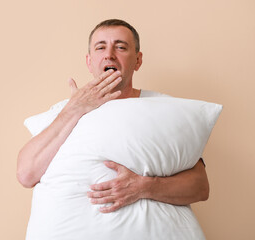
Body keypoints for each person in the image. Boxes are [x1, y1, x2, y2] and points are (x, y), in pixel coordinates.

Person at [17, 19, 209, 214]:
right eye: (101, 48)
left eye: (120, 47)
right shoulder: (63, 111)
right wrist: (74, 109)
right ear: (89, 61)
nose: (109, 55)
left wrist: (143, 187)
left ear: (138, 60)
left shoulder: (163, 108)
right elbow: (26, 174)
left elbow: (200, 186)